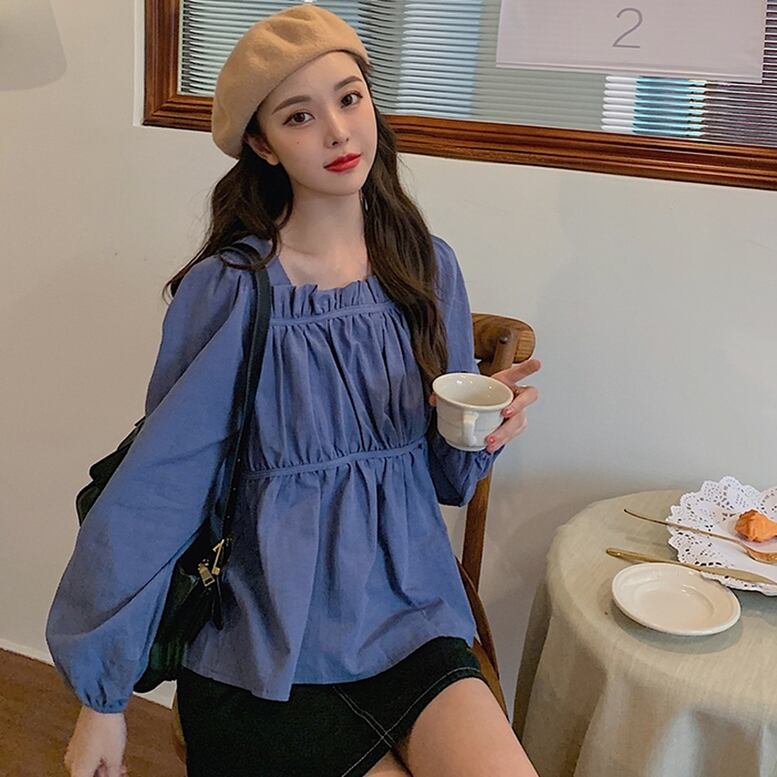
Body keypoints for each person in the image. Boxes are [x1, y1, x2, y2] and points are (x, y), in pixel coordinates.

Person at [46, 5, 541, 776]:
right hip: (260, 642)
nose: (338, 132)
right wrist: (102, 698)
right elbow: (158, 489)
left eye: (349, 98)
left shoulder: (426, 267)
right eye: (299, 116)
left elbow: (444, 481)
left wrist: (476, 429)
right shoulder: (232, 292)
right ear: (262, 144)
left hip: (408, 614)